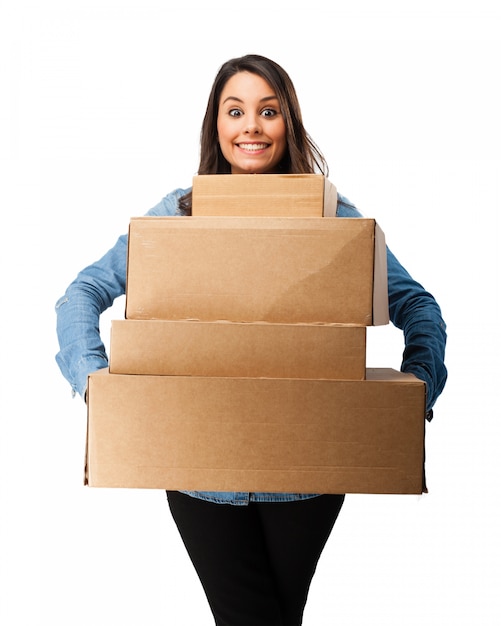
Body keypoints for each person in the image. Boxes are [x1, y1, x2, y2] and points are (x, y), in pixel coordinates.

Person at [55, 54, 447, 626]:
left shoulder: (331, 218)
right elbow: (82, 293)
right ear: (216, 123)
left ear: (288, 121)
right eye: (235, 111)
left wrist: (416, 393)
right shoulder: (179, 215)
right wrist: (98, 386)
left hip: (308, 471)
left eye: (268, 111)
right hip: (200, 472)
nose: (251, 127)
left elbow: (417, 304)